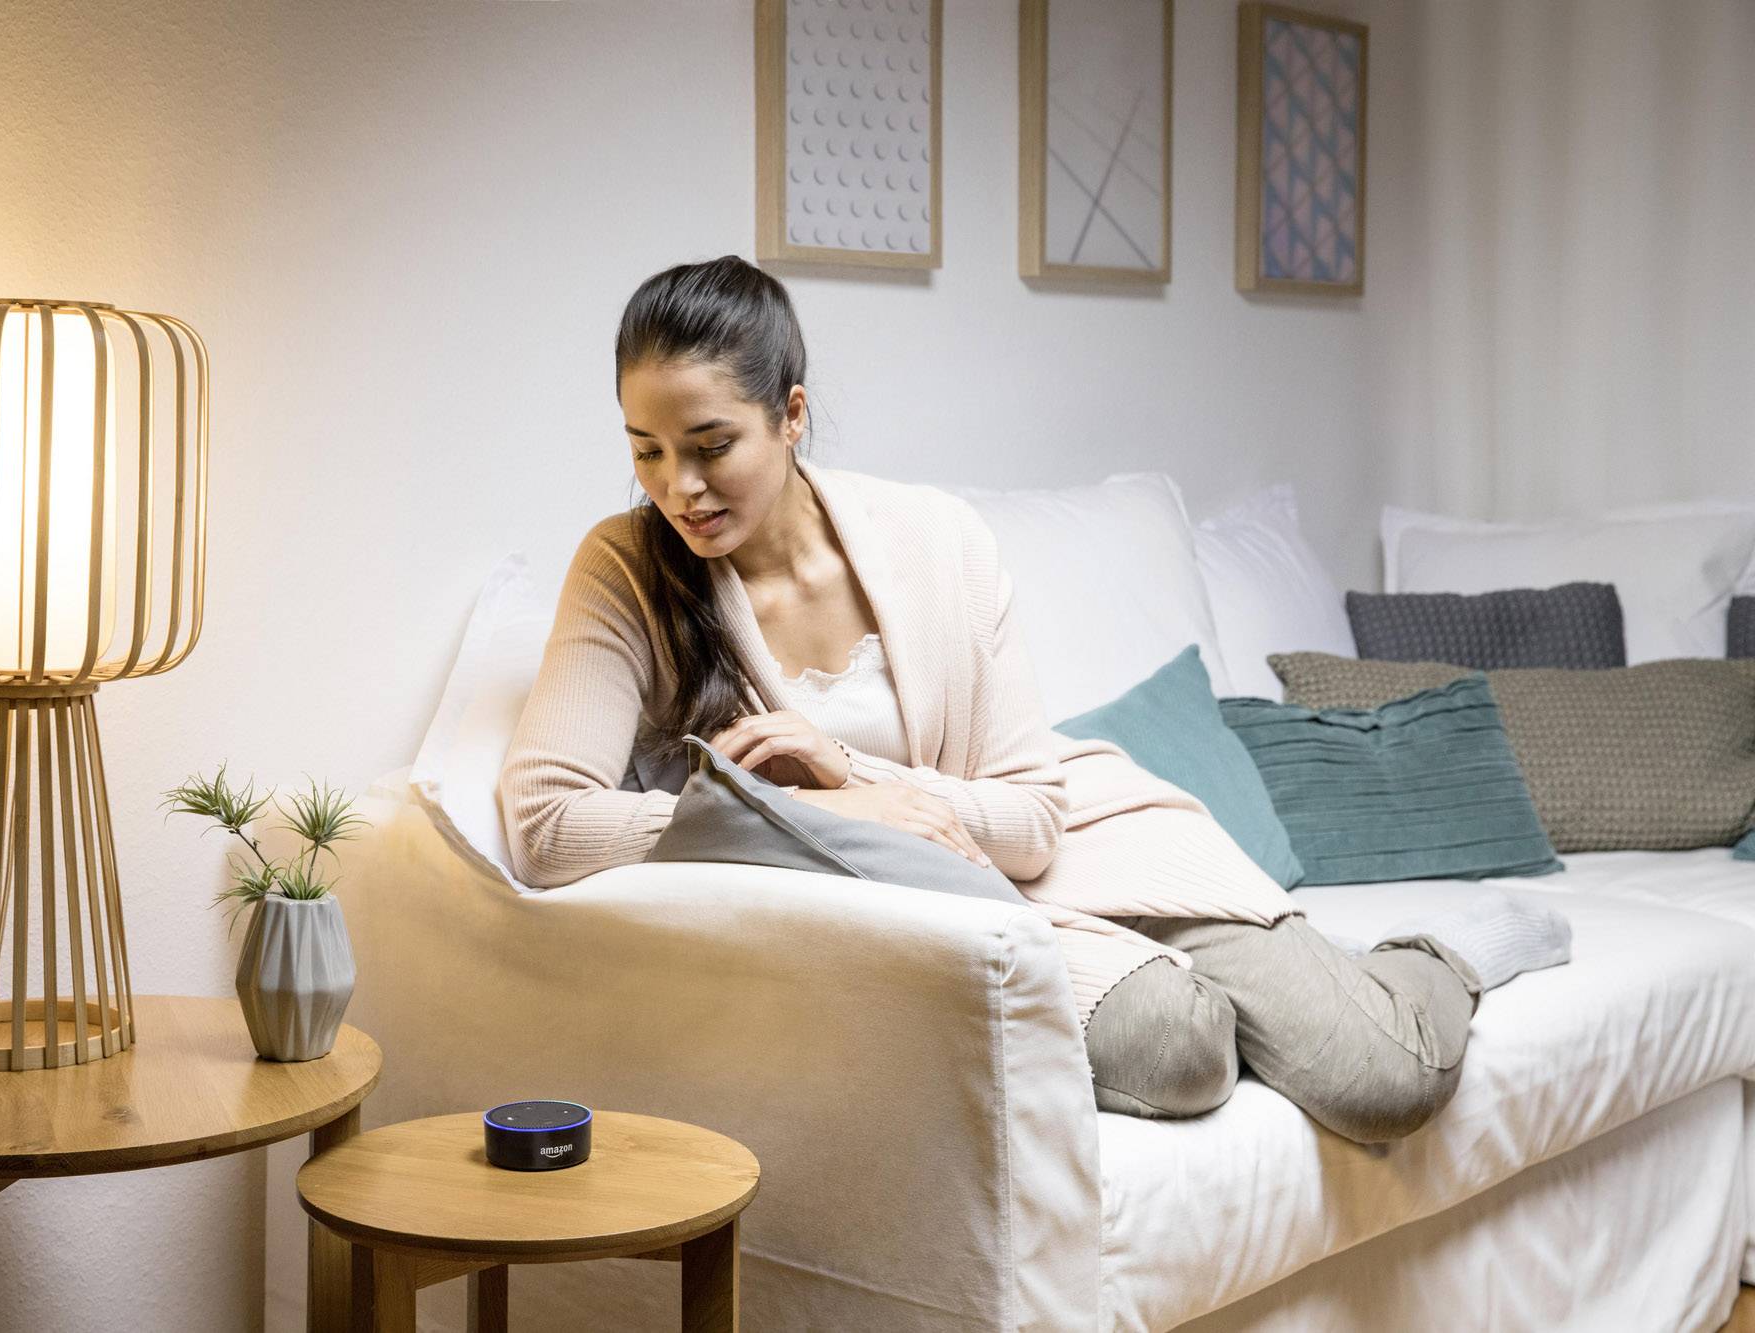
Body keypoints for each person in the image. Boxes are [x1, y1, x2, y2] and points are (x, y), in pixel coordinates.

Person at [498, 254, 1571, 1145]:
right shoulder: (628, 569)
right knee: (1181, 1052)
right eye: (644, 450)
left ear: (789, 414)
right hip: (944, 914)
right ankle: (1279, 995)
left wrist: (855, 772)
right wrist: (824, 814)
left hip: (1071, 847)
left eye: (707, 446)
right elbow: (547, 826)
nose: (674, 486)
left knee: (1376, 1078)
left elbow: (1028, 818)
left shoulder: (938, 538)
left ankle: (1438, 955)